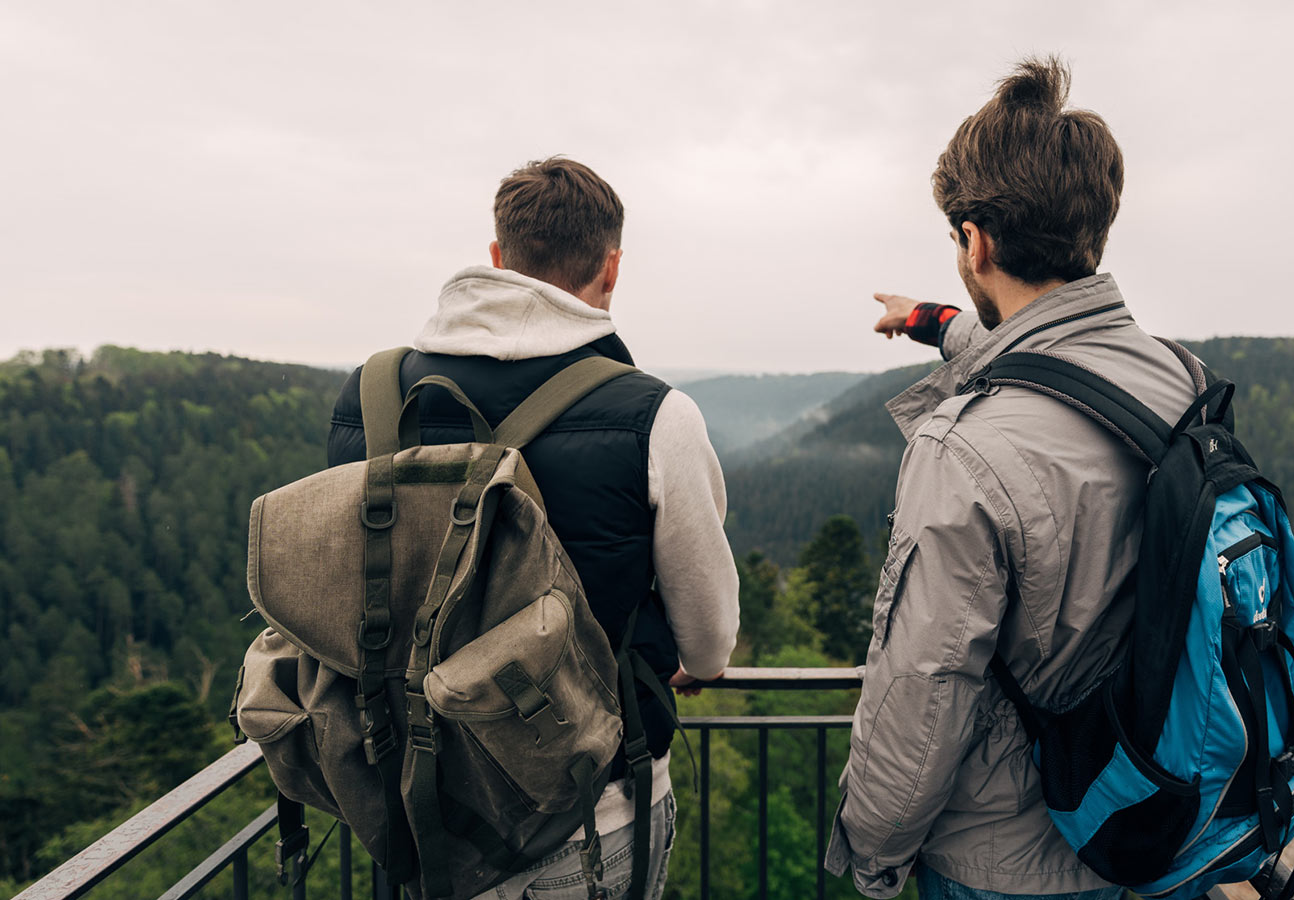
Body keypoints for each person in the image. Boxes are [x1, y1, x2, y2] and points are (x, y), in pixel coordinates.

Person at [824, 57, 1201, 899]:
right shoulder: (1180, 382)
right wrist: (932, 321)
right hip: (1160, 824)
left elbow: (926, 684)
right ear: (1091, 230)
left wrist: (874, 853)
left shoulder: (966, 452)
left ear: (975, 240)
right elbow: (1053, 360)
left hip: (1009, 862)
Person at [325, 157, 739, 900]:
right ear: (611, 270)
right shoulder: (654, 416)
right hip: (587, 810)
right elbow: (708, 642)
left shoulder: (370, 396)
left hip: (417, 805)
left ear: (496, 260)